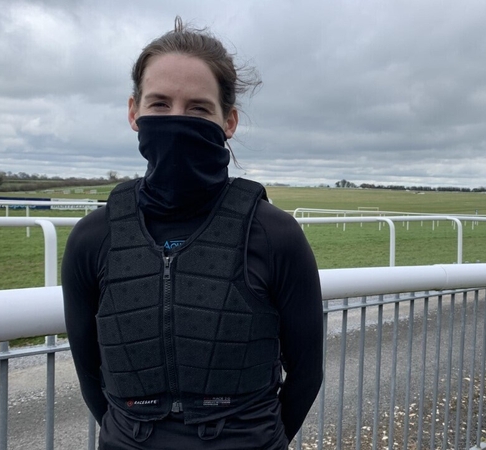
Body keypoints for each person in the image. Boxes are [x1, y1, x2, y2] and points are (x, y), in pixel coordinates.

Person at [62, 17, 323, 449]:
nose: (176, 119)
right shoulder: (94, 238)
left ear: (229, 121)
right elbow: (90, 374)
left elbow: (307, 373)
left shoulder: (275, 235)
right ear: (134, 112)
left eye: (198, 108)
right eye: (159, 104)